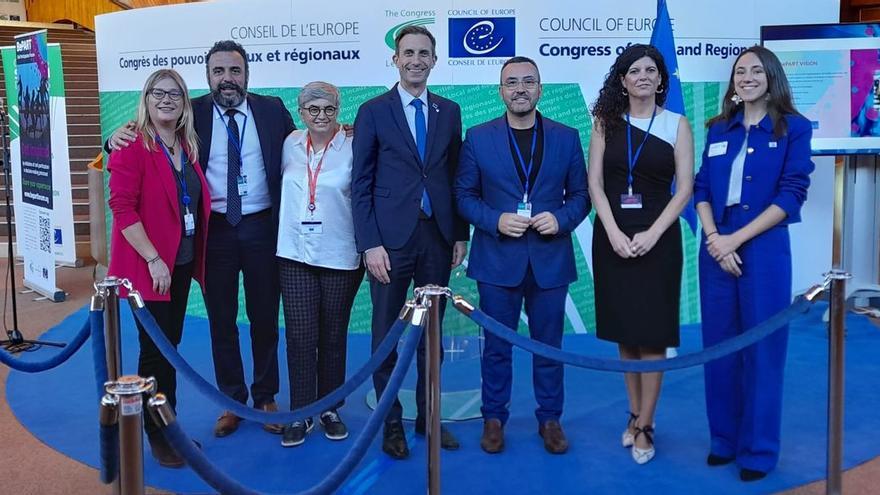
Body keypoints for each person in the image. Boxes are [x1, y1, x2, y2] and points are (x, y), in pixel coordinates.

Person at [109, 40, 296, 437]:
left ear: (247, 74)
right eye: (218, 72)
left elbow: (304, 147)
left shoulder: (273, 109)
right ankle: (232, 400)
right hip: (216, 233)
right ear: (208, 76)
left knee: (265, 317)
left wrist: (341, 133)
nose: (227, 79)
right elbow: (136, 142)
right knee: (221, 320)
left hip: (263, 227)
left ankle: (265, 395)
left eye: (234, 71)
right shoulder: (191, 111)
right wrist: (111, 139)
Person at [455, 56, 590, 455]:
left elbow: (581, 196)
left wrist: (561, 219)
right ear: (500, 91)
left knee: (549, 346)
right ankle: (493, 417)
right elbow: (463, 196)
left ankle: (550, 418)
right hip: (497, 259)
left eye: (528, 81)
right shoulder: (478, 137)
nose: (520, 88)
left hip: (550, 259)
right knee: (496, 346)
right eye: (511, 82)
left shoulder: (566, 137)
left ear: (540, 89)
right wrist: (496, 220)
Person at [695, 45, 813, 482]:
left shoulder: (794, 129)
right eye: (739, 71)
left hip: (762, 250)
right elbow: (701, 188)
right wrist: (714, 240)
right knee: (719, 349)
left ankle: (758, 451)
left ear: (772, 77)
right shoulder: (718, 128)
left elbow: (791, 193)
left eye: (755, 70)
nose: (746, 77)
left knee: (763, 352)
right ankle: (723, 441)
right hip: (716, 247)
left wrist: (734, 241)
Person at [351, 25, 469, 460]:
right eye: (408, 53)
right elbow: (360, 183)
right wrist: (370, 244)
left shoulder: (449, 111)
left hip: (436, 238)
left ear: (434, 60)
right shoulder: (373, 111)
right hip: (389, 243)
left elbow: (455, 177)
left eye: (424, 53)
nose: (416, 59)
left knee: (430, 335)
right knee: (386, 334)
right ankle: (392, 423)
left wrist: (459, 233)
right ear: (395, 59)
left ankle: (428, 417)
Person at [588, 43, 694, 465]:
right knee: (626, 335)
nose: (643, 76)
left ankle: (647, 425)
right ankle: (633, 414)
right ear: (623, 79)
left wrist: (652, 233)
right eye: (635, 71)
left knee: (652, 336)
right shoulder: (604, 124)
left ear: (660, 78)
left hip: (658, 238)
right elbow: (595, 183)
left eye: (651, 70)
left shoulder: (677, 124)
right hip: (612, 237)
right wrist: (613, 231)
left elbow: (684, 188)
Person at [107, 68, 211, 467]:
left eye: (175, 94)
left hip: (179, 265)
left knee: (169, 348)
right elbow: (121, 208)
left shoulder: (186, 143)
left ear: (184, 102)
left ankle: (171, 425)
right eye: (158, 93)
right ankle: (159, 434)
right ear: (146, 98)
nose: (166, 100)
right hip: (148, 268)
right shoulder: (131, 145)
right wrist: (152, 257)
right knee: (156, 353)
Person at [276, 82, 364, 447]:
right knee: (299, 337)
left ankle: (329, 408)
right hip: (294, 252)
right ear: (301, 112)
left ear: (338, 110)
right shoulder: (289, 144)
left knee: (332, 335)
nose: (321, 117)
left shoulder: (353, 144)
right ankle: (300, 411)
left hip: (340, 253)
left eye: (329, 109)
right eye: (313, 109)